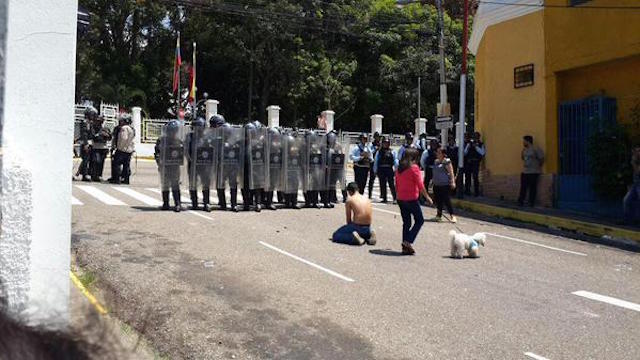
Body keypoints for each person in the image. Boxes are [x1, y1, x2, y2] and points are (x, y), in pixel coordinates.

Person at [395, 148, 433, 255]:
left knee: (406, 222)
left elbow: (396, 184)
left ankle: (405, 246)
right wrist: (428, 197)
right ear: (412, 158)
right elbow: (420, 185)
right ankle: (408, 241)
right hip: (411, 198)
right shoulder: (414, 168)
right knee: (419, 220)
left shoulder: (399, 168)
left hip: (401, 198)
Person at [186, 117, 215, 212]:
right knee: (193, 184)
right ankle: (194, 202)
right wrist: (191, 160)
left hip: (205, 164)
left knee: (206, 183)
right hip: (193, 164)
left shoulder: (207, 138)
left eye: (201, 127)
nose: (200, 129)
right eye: (197, 127)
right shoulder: (189, 137)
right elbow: (186, 151)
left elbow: (211, 150)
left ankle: (206, 202)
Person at [154, 120, 184, 212]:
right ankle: (166, 203)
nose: (173, 132)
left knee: (175, 185)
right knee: (165, 185)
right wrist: (159, 161)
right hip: (165, 166)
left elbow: (182, 153)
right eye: (171, 130)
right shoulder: (162, 140)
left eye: (174, 130)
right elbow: (157, 152)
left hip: (174, 166)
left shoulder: (178, 141)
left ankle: (177, 204)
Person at [431, 146, 457, 223]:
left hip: (444, 185)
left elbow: (451, 172)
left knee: (447, 200)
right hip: (436, 184)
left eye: (439, 152)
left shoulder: (447, 162)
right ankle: (439, 216)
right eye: (437, 152)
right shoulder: (436, 161)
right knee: (438, 201)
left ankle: (452, 216)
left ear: (443, 154)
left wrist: (452, 182)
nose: (437, 153)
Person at [518, 135, 544, 207]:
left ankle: (531, 202)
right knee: (523, 187)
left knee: (532, 188)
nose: (523, 142)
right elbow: (523, 158)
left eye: (524, 141)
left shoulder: (536, 149)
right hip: (525, 171)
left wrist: (537, 166)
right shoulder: (524, 150)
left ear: (528, 141)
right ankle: (520, 201)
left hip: (533, 171)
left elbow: (541, 158)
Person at [109, 114, 135, 185]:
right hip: (129, 150)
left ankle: (117, 179)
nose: (120, 122)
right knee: (126, 165)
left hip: (122, 150)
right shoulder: (131, 128)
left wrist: (119, 147)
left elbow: (123, 139)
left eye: (122, 120)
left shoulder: (124, 128)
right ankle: (126, 180)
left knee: (116, 164)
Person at [373, 137, 398, 203]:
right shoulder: (379, 152)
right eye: (384, 143)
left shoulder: (392, 151)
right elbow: (376, 161)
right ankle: (384, 198)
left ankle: (395, 198)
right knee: (382, 184)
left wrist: (396, 169)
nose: (386, 144)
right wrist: (375, 170)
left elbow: (395, 160)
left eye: (387, 143)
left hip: (389, 168)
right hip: (381, 169)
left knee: (391, 184)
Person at [76, 107, 97, 182]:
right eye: (92, 114)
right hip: (86, 144)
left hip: (90, 143)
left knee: (90, 160)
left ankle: (87, 173)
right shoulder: (85, 122)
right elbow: (84, 134)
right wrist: (86, 144)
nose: (93, 116)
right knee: (85, 160)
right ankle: (84, 175)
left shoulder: (89, 122)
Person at [89, 115, 112, 182]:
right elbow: (93, 137)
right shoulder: (93, 128)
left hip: (103, 147)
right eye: (98, 121)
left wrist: (106, 135)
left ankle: (99, 175)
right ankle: (93, 175)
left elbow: (109, 137)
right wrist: (100, 134)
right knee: (96, 161)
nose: (99, 123)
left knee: (101, 163)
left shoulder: (105, 128)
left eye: (101, 121)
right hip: (96, 147)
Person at [464, 131, 486, 196]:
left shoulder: (481, 144)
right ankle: (467, 191)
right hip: (469, 162)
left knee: (475, 177)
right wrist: (469, 146)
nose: (475, 139)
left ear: (479, 137)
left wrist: (476, 147)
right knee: (468, 177)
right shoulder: (469, 144)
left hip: (476, 162)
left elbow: (482, 153)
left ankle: (476, 192)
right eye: (474, 137)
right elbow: (465, 153)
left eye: (476, 137)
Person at [623, 145, 640, 224]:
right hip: (635, 184)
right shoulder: (634, 160)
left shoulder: (635, 161)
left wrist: (633, 162)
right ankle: (627, 220)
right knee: (627, 200)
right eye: (636, 151)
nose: (637, 153)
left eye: (638, 151)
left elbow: (637, 171)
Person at [367, 132, 381, 199]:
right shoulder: (371, 144)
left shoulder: (381, 144)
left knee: (382, 179)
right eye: (376, 137)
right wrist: (375, 148)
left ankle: (382, 194)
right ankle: (370, 194)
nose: (378, 138)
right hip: (373, 163)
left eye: (378, 137)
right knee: (372, 179)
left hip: (380, 163)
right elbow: (370, 152)